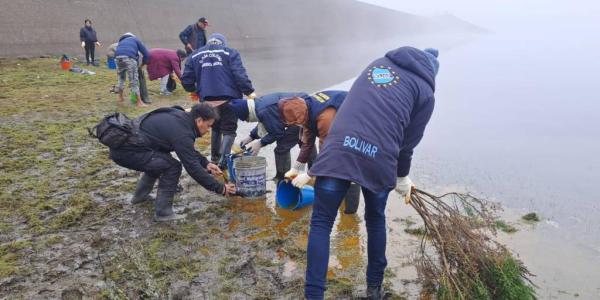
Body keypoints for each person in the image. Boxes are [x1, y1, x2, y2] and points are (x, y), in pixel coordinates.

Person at [303, 47, 439, 299]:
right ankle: (374, 291)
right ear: (432, 72)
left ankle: (313, 296)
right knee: (375, 219)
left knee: (321, 223)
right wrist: (402, 177)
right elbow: (407, 144)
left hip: (338, 149)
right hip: (379, 158)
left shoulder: (378, 64)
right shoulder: (426, 93)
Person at [109, 103, 236, 222]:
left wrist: (206, 164)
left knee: (160, 161)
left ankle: (139, 197)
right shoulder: (183, 132)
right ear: (199, 121)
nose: (208, 130)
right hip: (126, 152)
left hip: (132, 147)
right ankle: (163, 213)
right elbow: (192, 167)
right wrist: (220, 188)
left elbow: (188, 151)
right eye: (208, 126)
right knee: (172, 166)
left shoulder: (181, 118)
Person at [181, 33, 255, 170]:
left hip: (207, 100)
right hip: (229, 99)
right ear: (223, 43)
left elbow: (186, 80)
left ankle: (214, 158)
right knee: (229, 130)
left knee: (214, 126)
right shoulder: (230, 52)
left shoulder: (195, 55)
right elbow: (239, 75)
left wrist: (197, 90)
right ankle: (224, 162)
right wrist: (249, 91)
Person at [278, 91, 360, 214]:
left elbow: (328, 150)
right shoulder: (306, 108)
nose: (296, 125)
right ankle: (340, 197)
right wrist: (297, 168)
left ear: (301, 116)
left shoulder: (325, 118)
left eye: (296, 122)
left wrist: (309, 174)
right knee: (333, 168)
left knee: (349, 166)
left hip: (358, 125)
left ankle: (349, 214)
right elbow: (307, 143)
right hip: (340, 126)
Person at [228, 92, 309, 179]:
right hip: (303, 105)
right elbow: (267, 123)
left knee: (282, 148)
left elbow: (277, 132)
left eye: (246, 119)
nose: (247, 121)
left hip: (301, 111)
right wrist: (251, 137)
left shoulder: (263, 111)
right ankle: (313, 171)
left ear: (248, 113)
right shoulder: (257, 104)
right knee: (307, 143)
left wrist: (260, 143)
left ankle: (282, 177)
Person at [114, 32, 150, 107]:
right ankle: (139, 102)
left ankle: (120, 97)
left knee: (121, 78)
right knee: (133, 80)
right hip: (129, 58)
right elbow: (146, 54)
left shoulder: (121, 42)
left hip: (118, 58)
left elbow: (117, 53)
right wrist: (143, 64)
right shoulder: (135, 40)